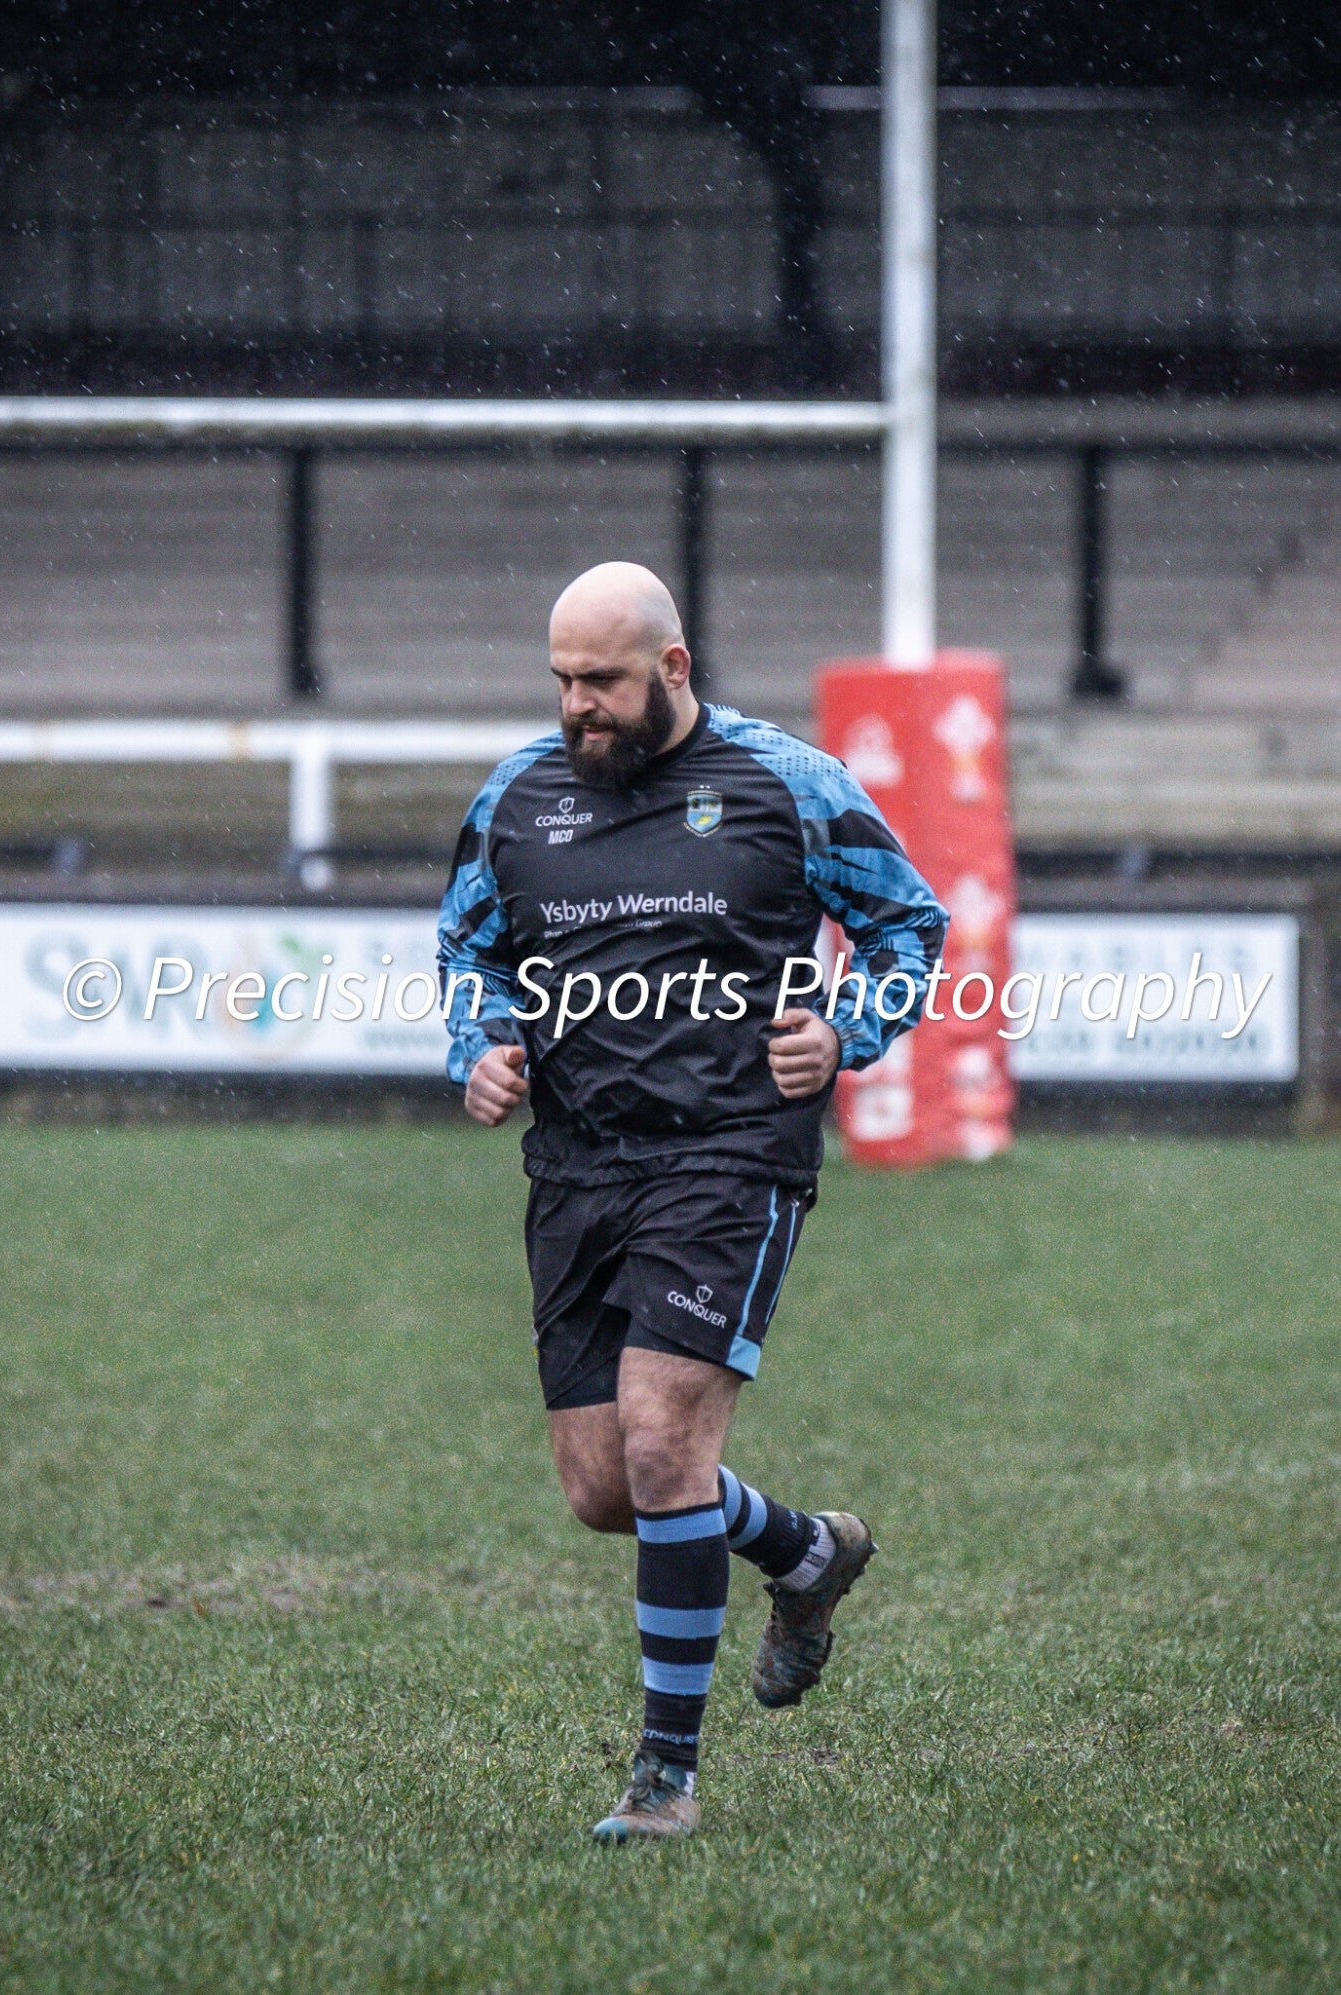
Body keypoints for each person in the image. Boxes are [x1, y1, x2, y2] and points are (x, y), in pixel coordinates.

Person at [437, 560, 948, 1842]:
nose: (577, 708)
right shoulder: (517, 797)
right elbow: (469, 947)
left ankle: (664, 1779)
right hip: (576, 1166)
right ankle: (804, 1552)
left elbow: (909, 929)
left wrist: (844, 1033)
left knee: (666, 1444)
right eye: (560, 681)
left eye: (600, 681)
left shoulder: (791, 784)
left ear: (672, 669)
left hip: (730, 1155)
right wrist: (482, 1045)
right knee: (606, 1488)